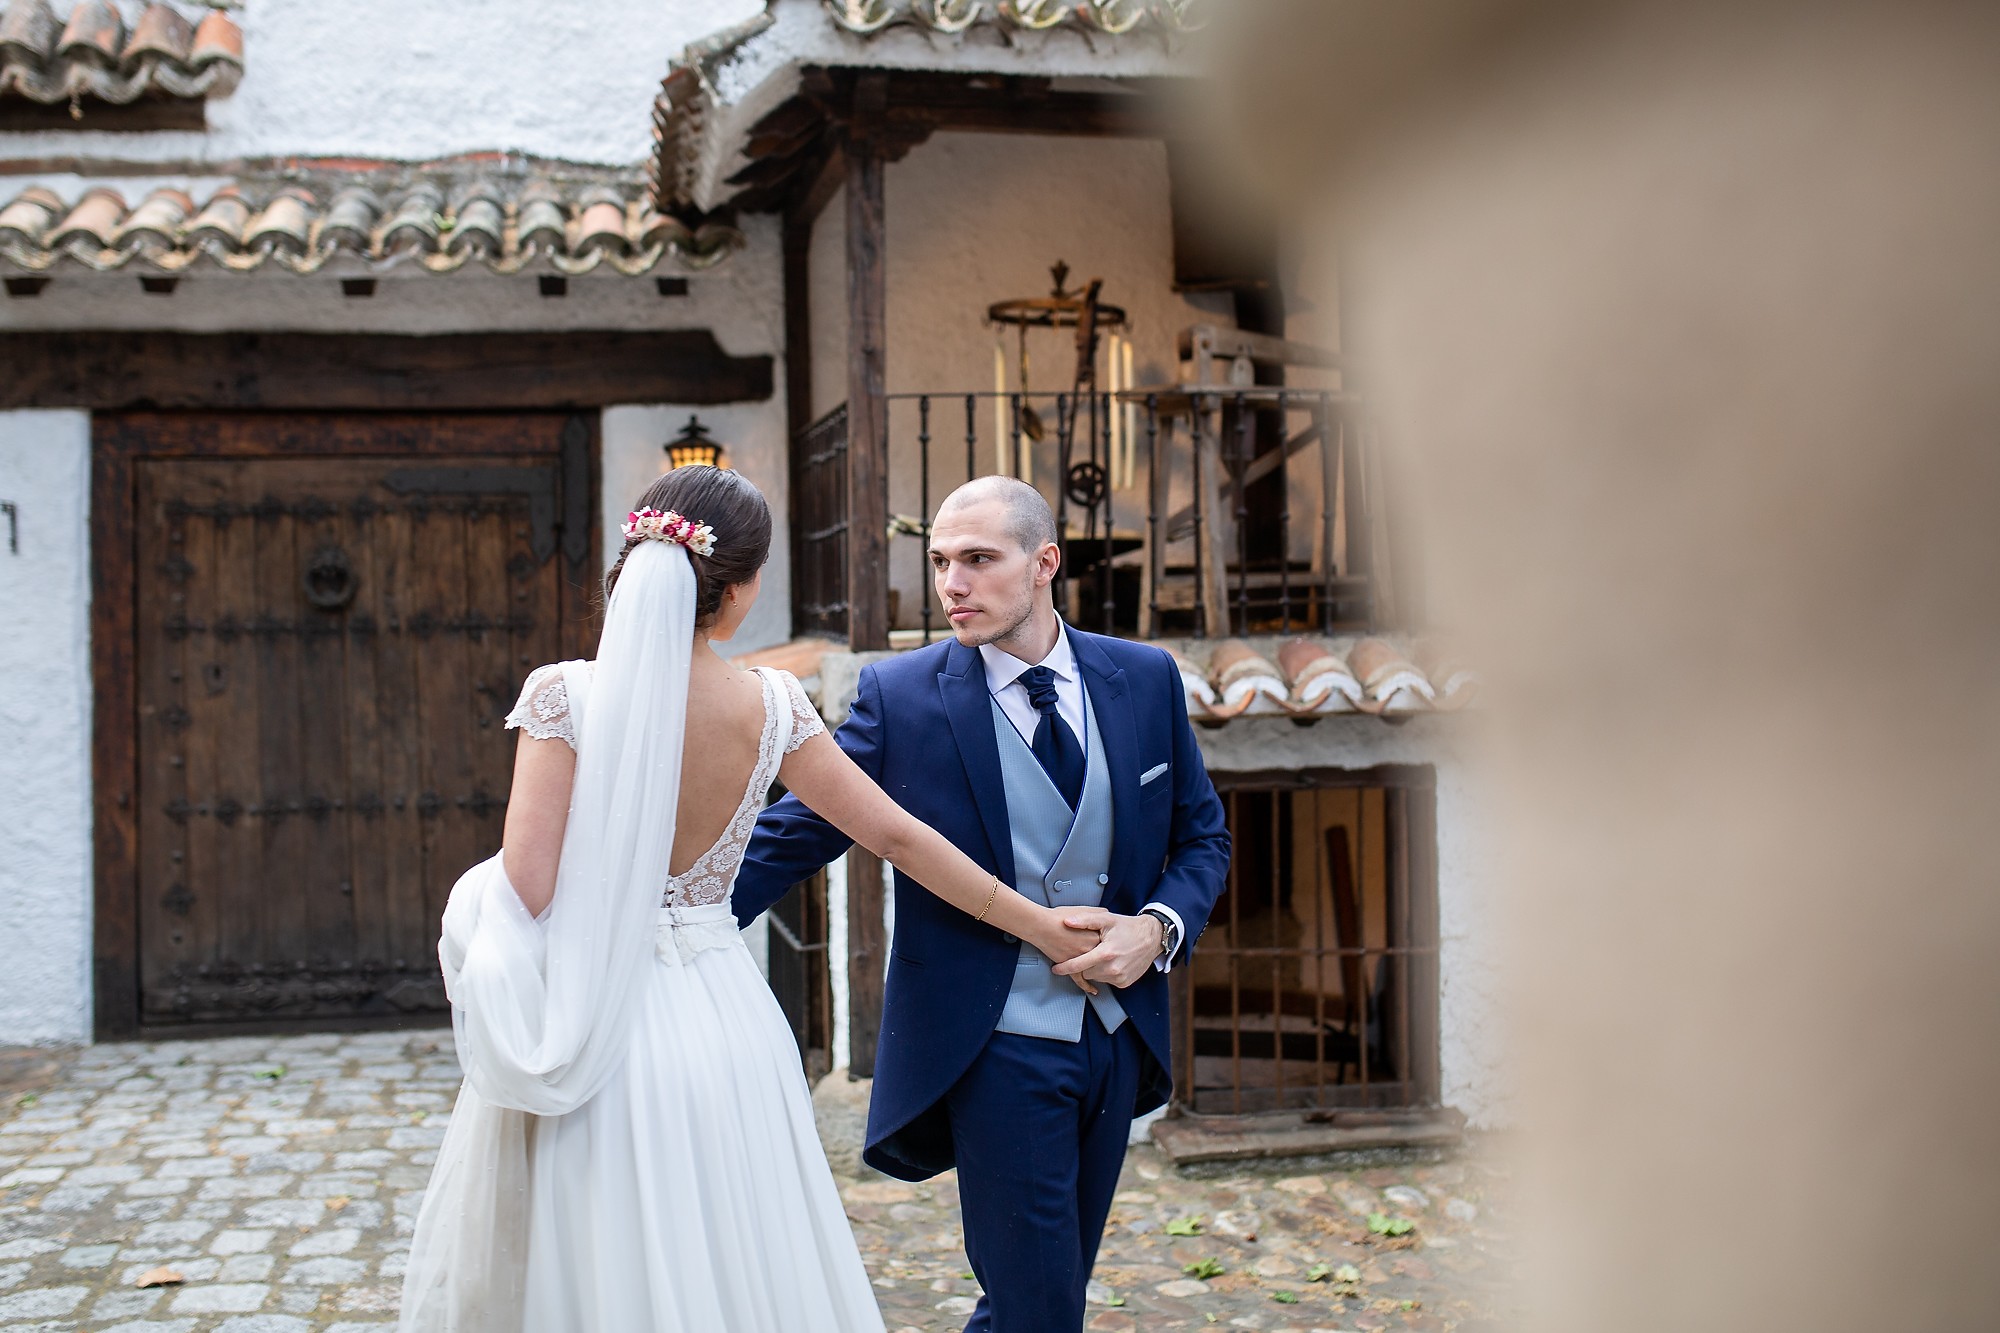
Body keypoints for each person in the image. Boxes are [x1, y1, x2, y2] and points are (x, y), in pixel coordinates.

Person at [397, 466, 1101, 1333]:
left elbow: (526, 888)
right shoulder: (772, 705)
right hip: (726, 1021)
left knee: (599, 1250)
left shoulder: (562, 695)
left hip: (600, 1023)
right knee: (740, 1248)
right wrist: (1041, 926)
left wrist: (472, 909)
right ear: (738, 589)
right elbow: (901, 839)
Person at [734, 475, 1232, 1332]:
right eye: (938, 561)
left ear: (1045, 564)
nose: (951, 584)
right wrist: (670, 918)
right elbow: (798, 832)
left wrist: (1156, 930)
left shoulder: (1145, 679)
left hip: (1117, 1038)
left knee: (1043, 1297)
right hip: (994, 1046)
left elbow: (1203, 840)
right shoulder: (901, 697)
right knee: (1039, 1307)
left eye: (977, 559)